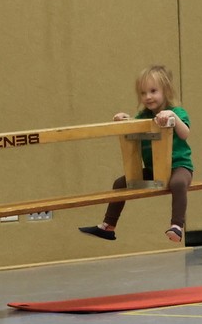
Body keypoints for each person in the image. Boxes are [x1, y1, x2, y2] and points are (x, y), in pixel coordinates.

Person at [78, 65, 194, 243]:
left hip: (179, 167)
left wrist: (172, 117)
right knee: (120, 183)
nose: (148, 97)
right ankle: (109, 226)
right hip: (154, 170)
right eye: (143, 93)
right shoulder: (143, 116)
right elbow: (133, 128)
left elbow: (185, 133)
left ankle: (177, 226)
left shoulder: (177, 112)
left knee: (178, 183)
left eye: (153, 91)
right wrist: (123, 120)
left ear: (166, 91)